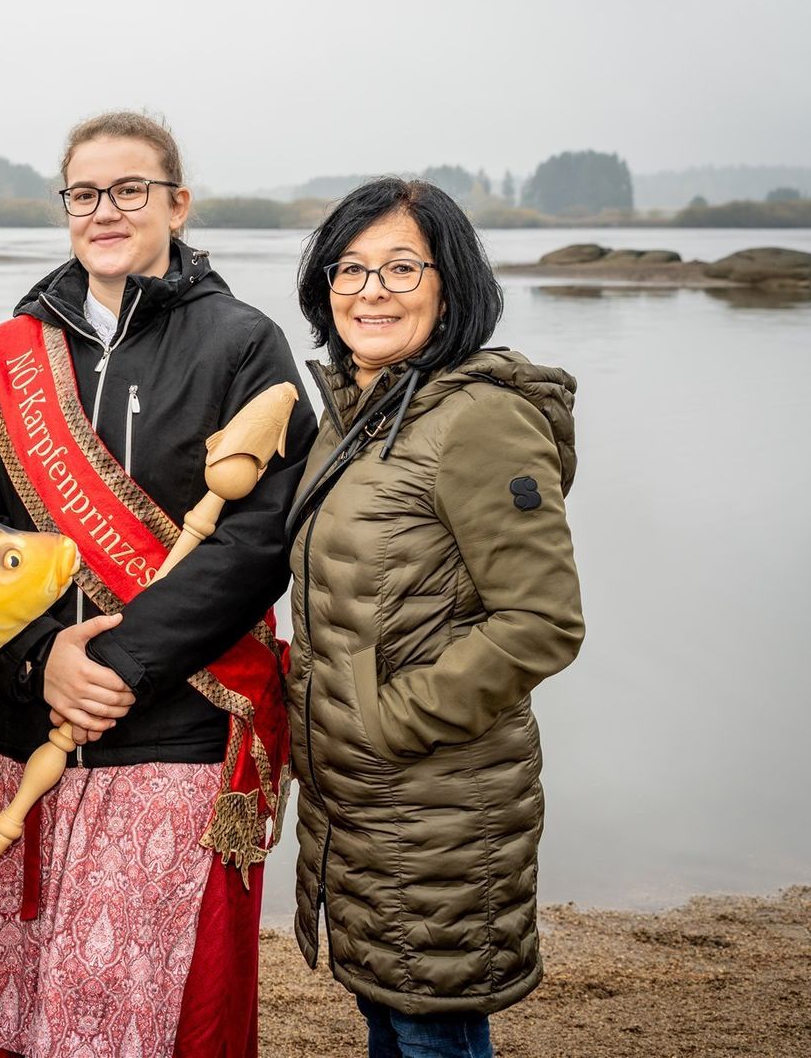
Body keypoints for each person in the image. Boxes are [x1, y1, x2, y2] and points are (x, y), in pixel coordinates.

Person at [0, 111, 318, 1058]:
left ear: (177, 204)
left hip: (175, 725)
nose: (105, 211)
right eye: (85, 194)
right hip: (26, 719)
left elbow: (261, 539)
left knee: (140, 1006)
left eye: (130, 191)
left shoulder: (243, 344)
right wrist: (38, 663)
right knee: (28, 1003)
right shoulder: (6, 356)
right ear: (65, 207)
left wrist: (120, 661)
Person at [284, 178, 584, 1058]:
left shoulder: (480, 420)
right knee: (390, 1011)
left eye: (401, 267)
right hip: (362, 805)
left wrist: (389, 720)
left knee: (429, 1031)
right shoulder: (359, 415)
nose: (370, 291)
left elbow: (541, 620)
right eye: (351, 268)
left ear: (451, 283)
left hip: (438, 803)